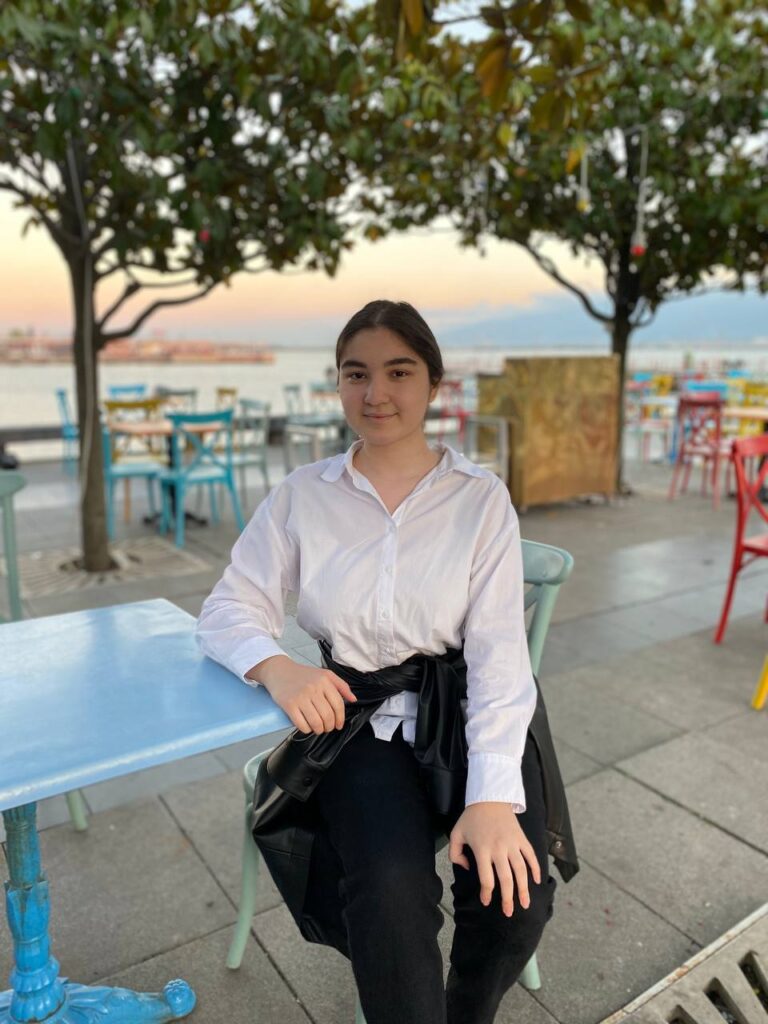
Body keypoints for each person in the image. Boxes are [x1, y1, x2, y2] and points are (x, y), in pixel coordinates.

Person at [196, 299, 577, 1024]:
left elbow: (501, 654)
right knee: (391, 900)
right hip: (355, 718)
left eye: (399, 371)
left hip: (465, 708)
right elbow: (226, 608)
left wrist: (492, 797)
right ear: (338, 386)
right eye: (356, 374)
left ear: (433, 383)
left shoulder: (479, 499)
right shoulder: (303, 496)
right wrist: (279, 667)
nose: (376, 393)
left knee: (516, 901)